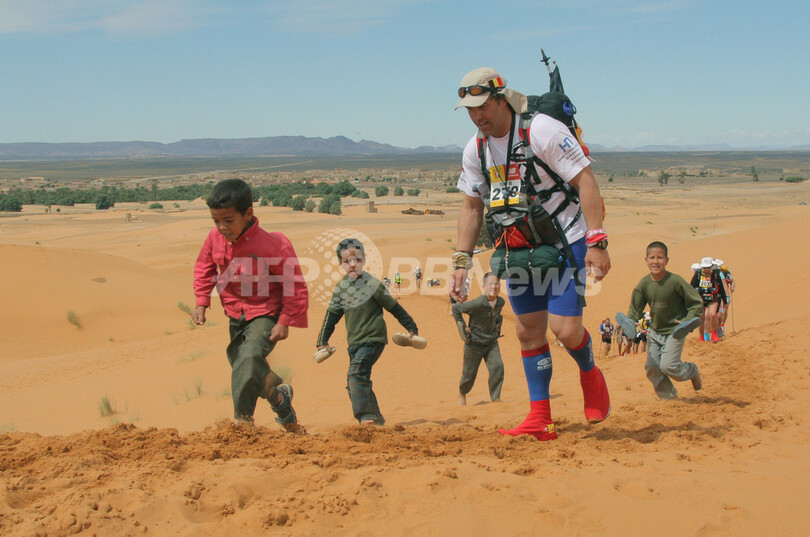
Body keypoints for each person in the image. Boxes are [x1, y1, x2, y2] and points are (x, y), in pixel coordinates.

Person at [451, 67, 611, 441]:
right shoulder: (475, 149)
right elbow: (472, 207)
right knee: (527, 332)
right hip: (519, 248)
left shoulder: (541, 130)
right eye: (470, 110)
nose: (477, 116)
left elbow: (585, 180)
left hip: (565, 239)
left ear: (502, 98)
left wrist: (597, 242)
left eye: (482, 106)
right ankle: (541, 418)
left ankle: (590, 374)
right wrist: (461, 260)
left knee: (565, 331)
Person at [192, 178, 308, 430]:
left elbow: (294, 285)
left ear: (248, 214)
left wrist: (285, 320)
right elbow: (204, 268)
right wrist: (201, 301)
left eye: (228, 220)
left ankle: (243, 422)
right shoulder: (214, 238)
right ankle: (279, 398)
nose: (221, 227)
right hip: (235, 312)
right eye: (215, 221)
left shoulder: (272, 244)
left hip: (267, 312)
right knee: (246, 366)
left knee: (248, 358)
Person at [315, 238, 419, 425]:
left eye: (357, 260)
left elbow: (394, 308)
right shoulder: (340, 289)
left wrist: (411, 327)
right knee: (354, 382)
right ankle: (376, 419)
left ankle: (366, 416)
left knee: (356, 375)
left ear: (363, 260)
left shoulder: (373, 285)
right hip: (354, 343)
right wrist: (322, 341)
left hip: (373, 339)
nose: (352, 264)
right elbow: (331, 317)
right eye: (347, 261)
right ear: (340, 263)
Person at [624, 241, 704, 399]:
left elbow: (695, 302)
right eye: (652, 258)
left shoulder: (675, 281)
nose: (655, 261)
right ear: (646, 260)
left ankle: (692, 371)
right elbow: (635, 307)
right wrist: (630, 321)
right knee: (652, 368)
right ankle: (669, 398)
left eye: (660, 258)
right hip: (655, 332)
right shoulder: (644, 284)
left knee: (669, 366)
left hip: (675, 331)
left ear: (666, 260)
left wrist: (688, 320)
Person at [451, 272, 505, 406]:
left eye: (496, 284)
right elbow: (456, 308)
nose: (494, 287)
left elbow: (496, 316)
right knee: (469, 374)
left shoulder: (501, 302)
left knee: (497, 367)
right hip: (474, 343)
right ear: (484, 286)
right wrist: (463, 326)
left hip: (491, 342)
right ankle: (462, 393)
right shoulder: (477, 303)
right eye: (490, 284)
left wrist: (496, 328)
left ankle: (495, 397)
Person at [690, 257, 728, 343]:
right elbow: (691, 287)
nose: (706, 269)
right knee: (701, 317)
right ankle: (701, 336)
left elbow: (721, 288)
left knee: (713, 314)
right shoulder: (698, 274)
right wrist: (701, 290)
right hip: (701, 298)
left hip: (713, 298)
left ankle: (714, 334)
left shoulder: (716, 274)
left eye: (708, 267)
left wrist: (725, 300)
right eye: (704, 267)